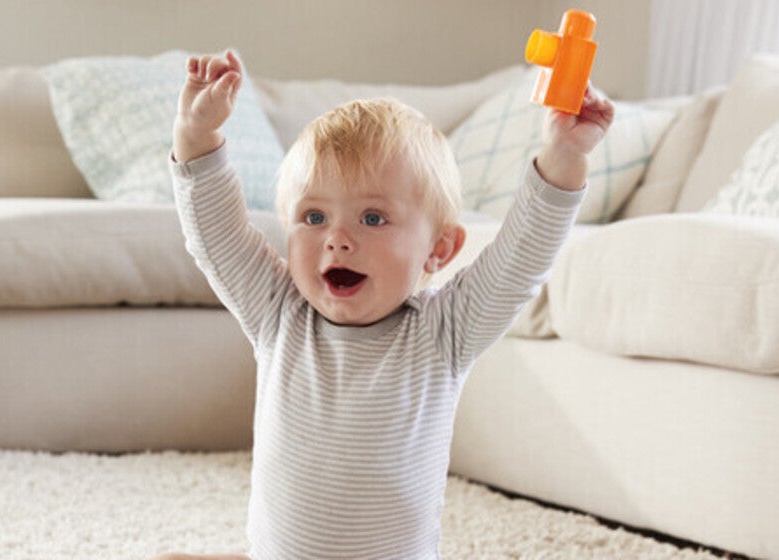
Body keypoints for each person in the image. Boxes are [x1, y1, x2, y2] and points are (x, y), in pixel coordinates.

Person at [151, 49, 613, 560]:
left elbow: (522, 258)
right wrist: (196, 138)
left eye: (372, 219)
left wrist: (564, 157)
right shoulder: (278, 313)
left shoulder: (444, 332)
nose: (337, 239)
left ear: (439, 250)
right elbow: (216, 235)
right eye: (313, 217)